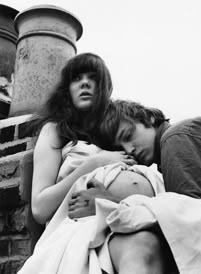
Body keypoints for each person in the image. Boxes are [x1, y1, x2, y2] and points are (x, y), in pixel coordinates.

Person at [21, 53, 168, 274]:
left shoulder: (115, 127)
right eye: (77, 78)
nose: (85, 83)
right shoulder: (56, 130)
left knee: (146, 247)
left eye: (93, 78)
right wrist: (95, 164)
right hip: (82, 222)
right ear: (66, 88)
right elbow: (40, 208)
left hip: (133, 214)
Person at [99, 99, 201, 217]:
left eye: (128, 135)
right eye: (121, 149)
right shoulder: (167, 157)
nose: (129, 150)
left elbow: (199, 218)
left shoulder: (175, 137)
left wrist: (108, 204)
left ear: (148, 118)